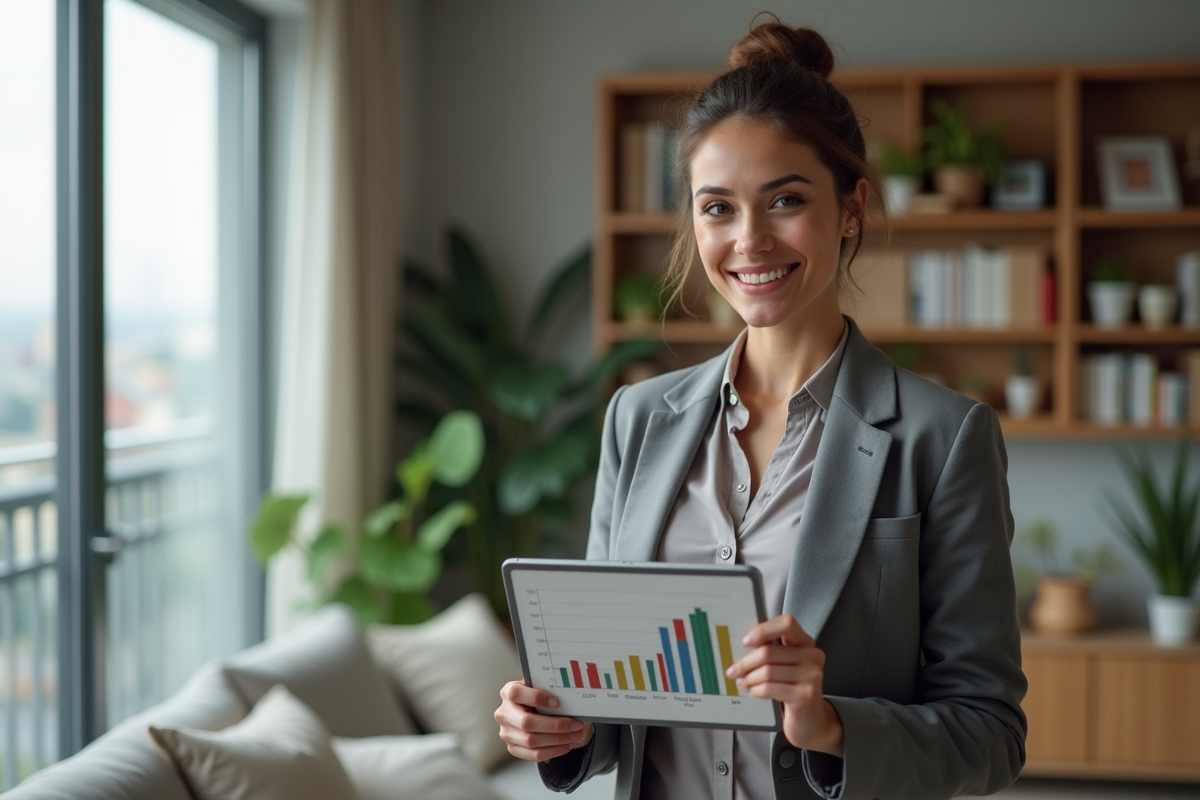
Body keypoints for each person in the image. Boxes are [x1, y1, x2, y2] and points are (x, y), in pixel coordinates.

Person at [496, 19, 1027, 800]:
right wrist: (561, 727)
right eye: (718, 208)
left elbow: (990, 734)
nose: (750, 240)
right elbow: (617, 698)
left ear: (851, 208)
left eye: (785, 200)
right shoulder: (635, 421)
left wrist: (833, 726)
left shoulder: (942, 438)